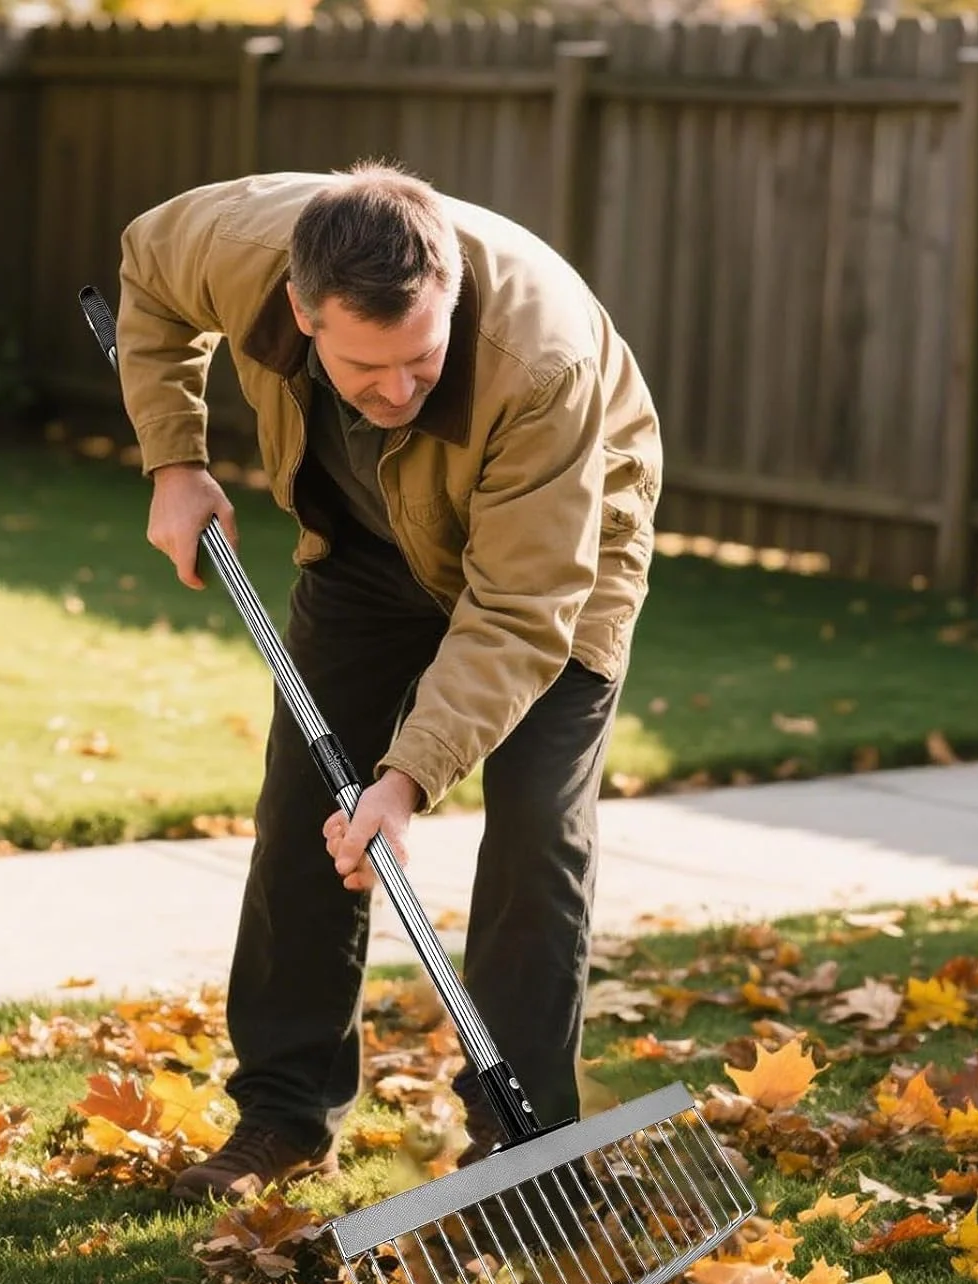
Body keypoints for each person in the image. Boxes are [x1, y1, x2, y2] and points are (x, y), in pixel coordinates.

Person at [114, 160, 662, 1205]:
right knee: (306, 806)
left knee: (539, 822)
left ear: (450, 290)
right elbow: (145, 267)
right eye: (367, 368)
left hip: (559, 547)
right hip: (365, 537)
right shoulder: (236, 246)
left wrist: (405, 782)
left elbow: (518, 609)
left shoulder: (535, 362)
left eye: (420, 358)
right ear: (300, 313)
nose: (400, 390)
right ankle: (282, 1114)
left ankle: (524, 1138)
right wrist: (174, 461)